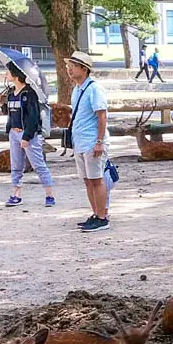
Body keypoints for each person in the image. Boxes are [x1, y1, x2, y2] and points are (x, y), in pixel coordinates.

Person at [65, 51, 111, 232]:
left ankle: (102, 217)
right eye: (69, 67)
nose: (70, 70)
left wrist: (99, 141)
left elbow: (102, 116)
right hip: (80, 141)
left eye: (73, 66)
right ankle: (95, 213)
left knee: (97, 180)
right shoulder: (77, 89)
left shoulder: (94, 89)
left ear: (84, 69)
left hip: (92, 141)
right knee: (88, 180)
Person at [2, 62, 55, 208]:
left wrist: (27, 137)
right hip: (14, 132)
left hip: (28, 134)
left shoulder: (29, 94)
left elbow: (33, 117)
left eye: (8, 72)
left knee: (38, 165)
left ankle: (49, 195)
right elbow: (10, 113)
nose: (5, 74)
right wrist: (1, 104)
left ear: (15, 75)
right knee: (16, 165)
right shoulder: (10, 93)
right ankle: (16, 194)